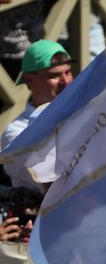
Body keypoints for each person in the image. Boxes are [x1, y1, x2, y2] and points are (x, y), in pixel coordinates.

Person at [0, 41, 74, 190]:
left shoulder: (83, 112)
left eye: (68, 72)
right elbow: (53, 184)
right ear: (29, 80)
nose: (66, 81)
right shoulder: (16, 133)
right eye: (54, 75)